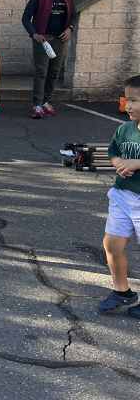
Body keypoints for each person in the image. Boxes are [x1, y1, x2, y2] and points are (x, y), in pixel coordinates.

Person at [98, 75, 140, 318]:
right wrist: (118, 163)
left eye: (134, 100)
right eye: (127, 99)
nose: (128, 105)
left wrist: (136, 163)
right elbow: (113, 151)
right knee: (112, 244)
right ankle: (122, 291)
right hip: (123, 196)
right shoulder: (125, 129)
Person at [21, 0, 75, 119]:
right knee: (41, 72)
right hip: (43, 40)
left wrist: (70, 29)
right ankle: (37, 105)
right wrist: (34, 34)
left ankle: (46, 102)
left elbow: (73, 16)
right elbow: (25, 18)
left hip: (60, 40)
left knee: (54, 72)